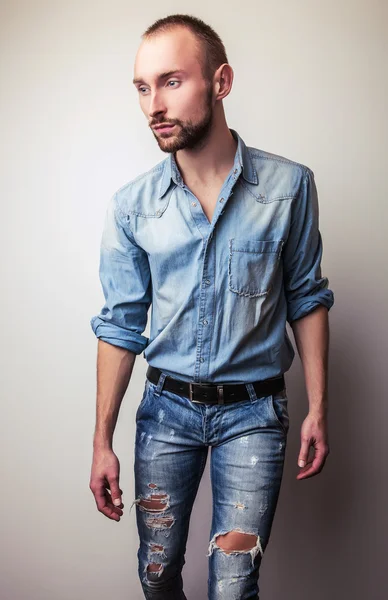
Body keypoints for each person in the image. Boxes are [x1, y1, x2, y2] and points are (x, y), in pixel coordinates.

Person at [89, 13, 334, 600]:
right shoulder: (131, 207)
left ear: (220, 82)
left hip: (254, 415)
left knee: (234, 585)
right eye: (143, 88)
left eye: (171, 81)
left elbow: (307, 296)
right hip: (165, 413)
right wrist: (102, 441)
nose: (154, 104)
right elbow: (120, 325)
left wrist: (319, 407)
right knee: (156, 574)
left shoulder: (289, 187)